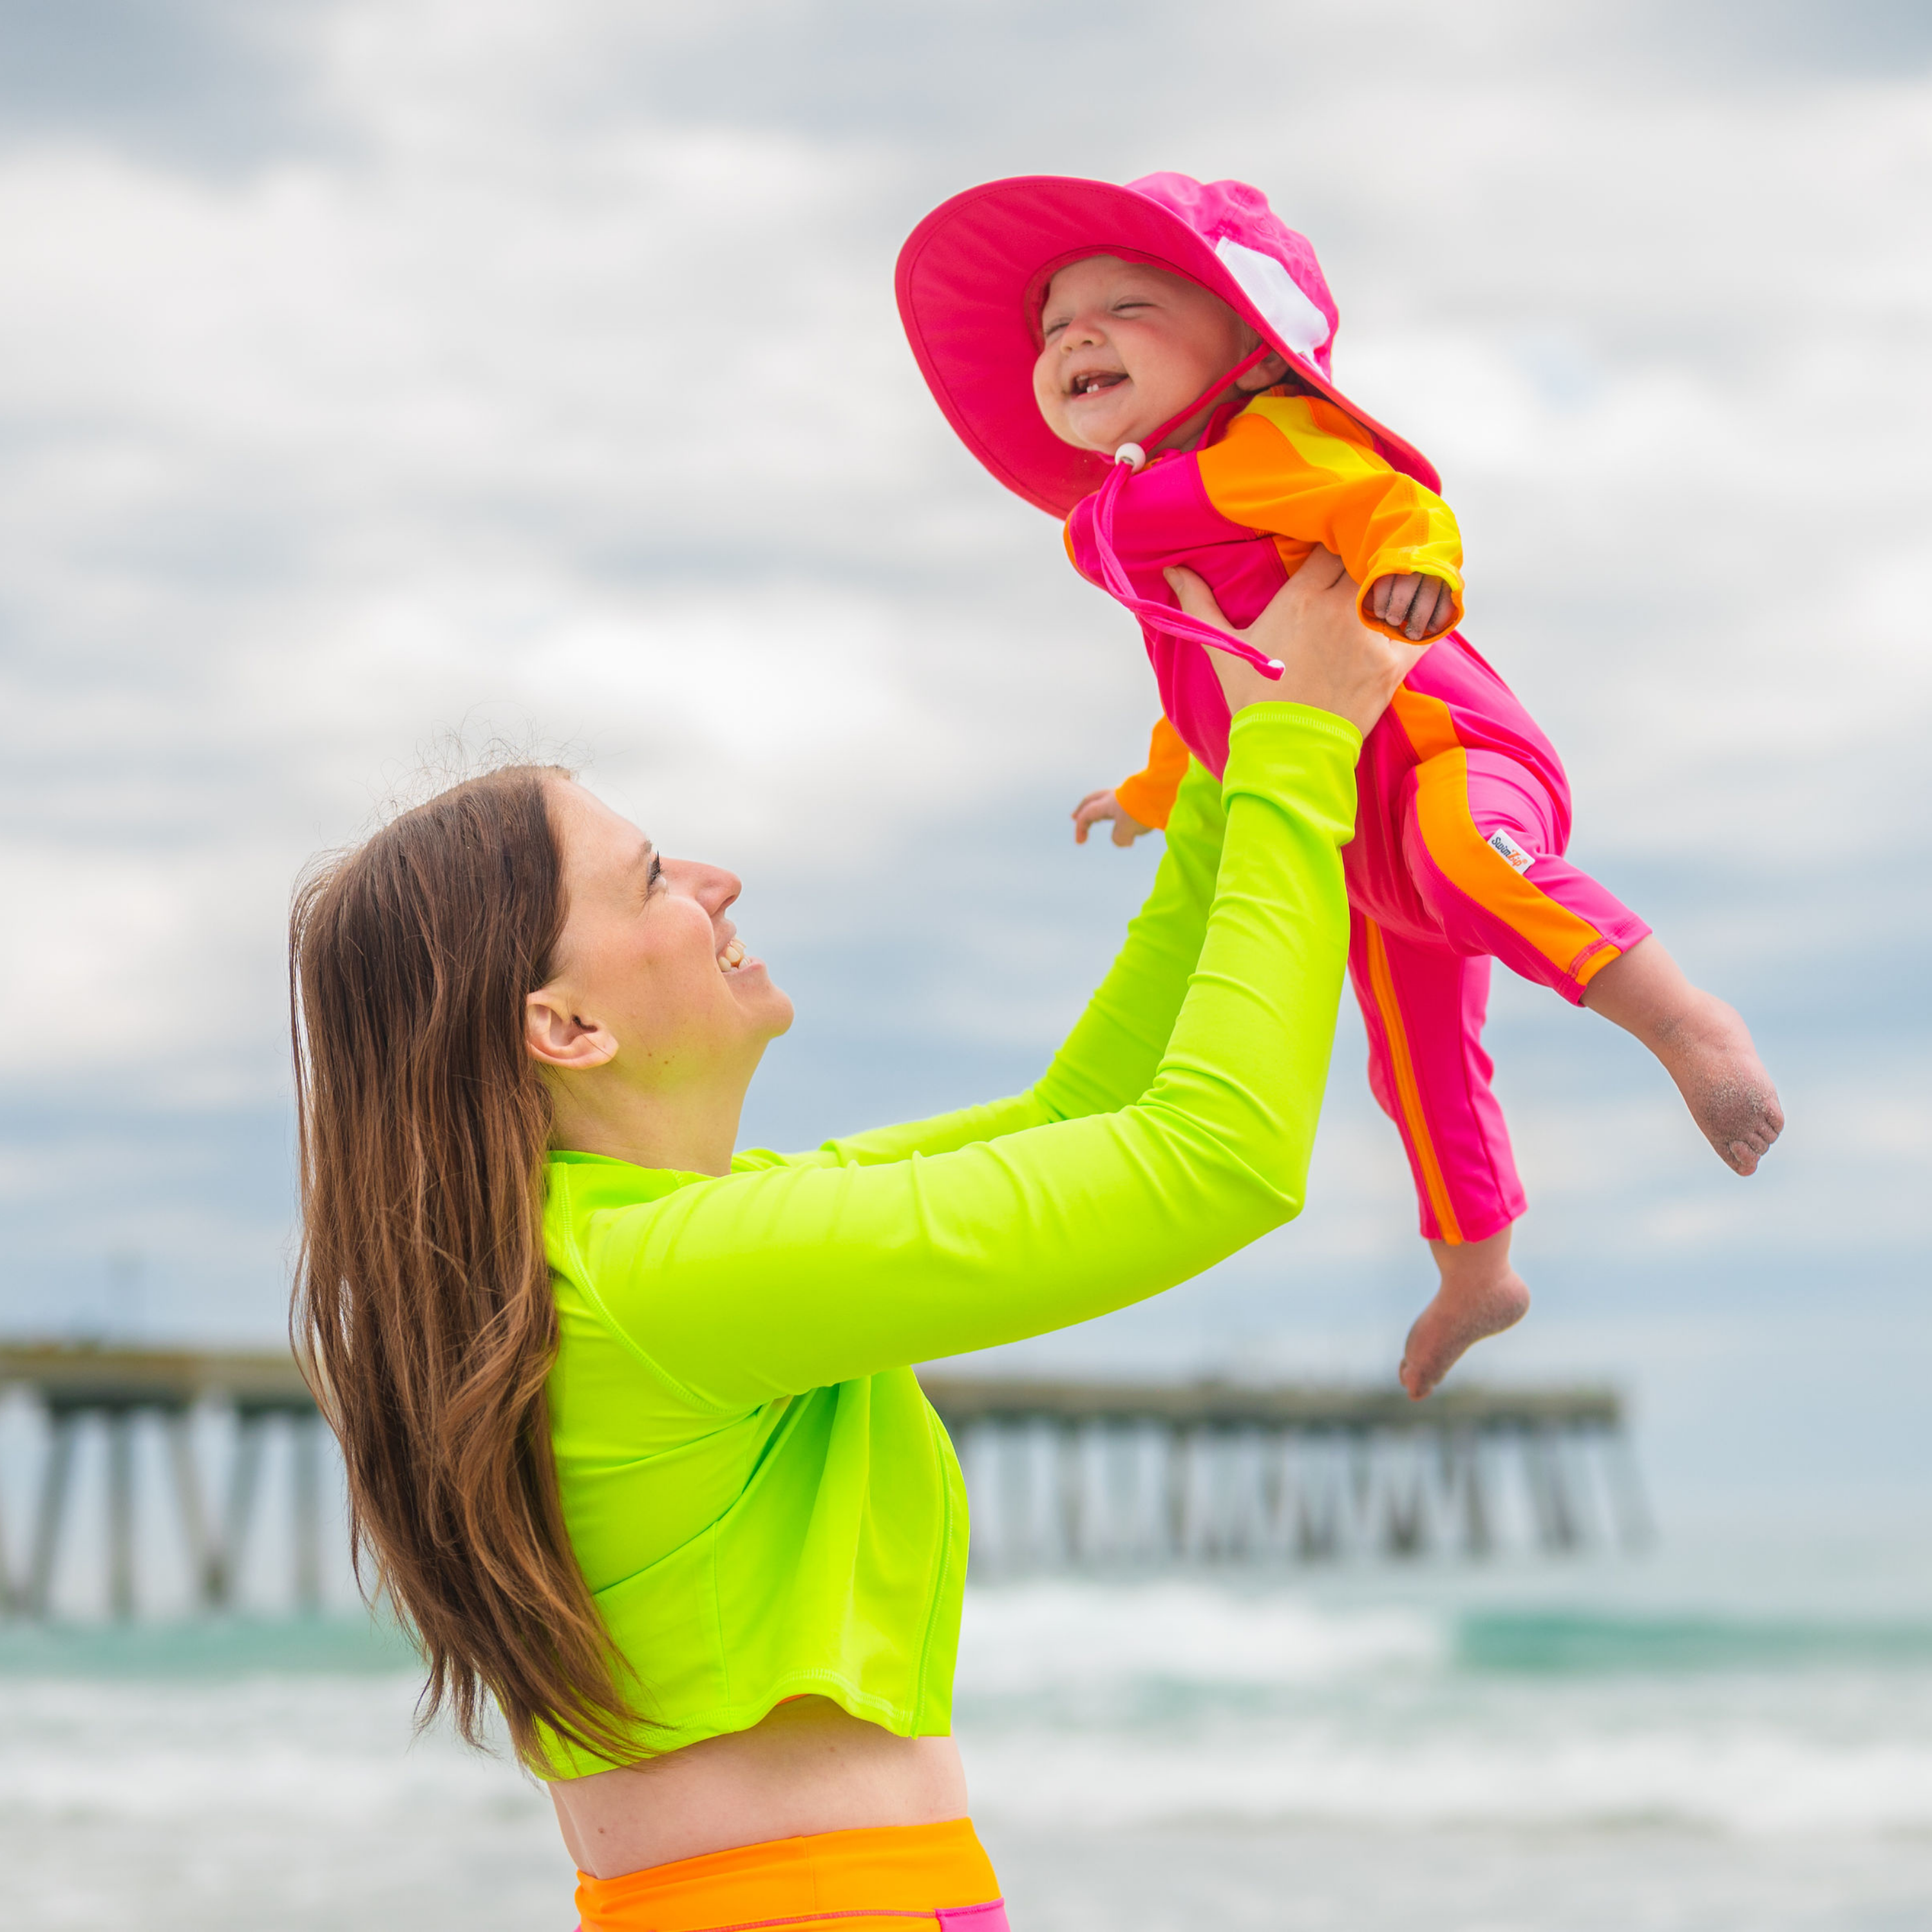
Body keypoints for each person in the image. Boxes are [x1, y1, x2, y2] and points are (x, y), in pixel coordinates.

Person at [289, 554, 1416, 1932]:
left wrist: (1228, 783)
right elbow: (1215, 1160)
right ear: (566, 1025)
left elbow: (1087, 1115)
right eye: (652, 880)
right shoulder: (670, 1278)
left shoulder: (634, 1252)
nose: (716, 881)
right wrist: (1309, 750)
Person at [895, 170, 1785, 1399]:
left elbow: (1388, 504)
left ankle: (1685, 1021)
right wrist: (1156, 787)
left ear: (1254, 352)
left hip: (1449, 763)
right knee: (1416, 1058)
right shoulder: (1117, 520)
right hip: (1353, 833)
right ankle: (1479, 1267)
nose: (1075, 336)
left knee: (1472, 861)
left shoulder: (1267, 445)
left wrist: (1414, 576)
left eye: (1128, 305)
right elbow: (1201, 666)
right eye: (1054, 328)